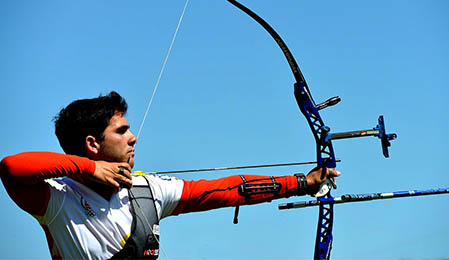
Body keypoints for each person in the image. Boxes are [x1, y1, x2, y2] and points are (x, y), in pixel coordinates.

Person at [0, 91, 340, 259]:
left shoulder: (145, 189)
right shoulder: (58, 200)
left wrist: (301, 183)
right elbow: (12, 168)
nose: (133, 138)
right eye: (122, 131)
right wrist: (88, 169)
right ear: (92, 144)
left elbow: (227, 190)